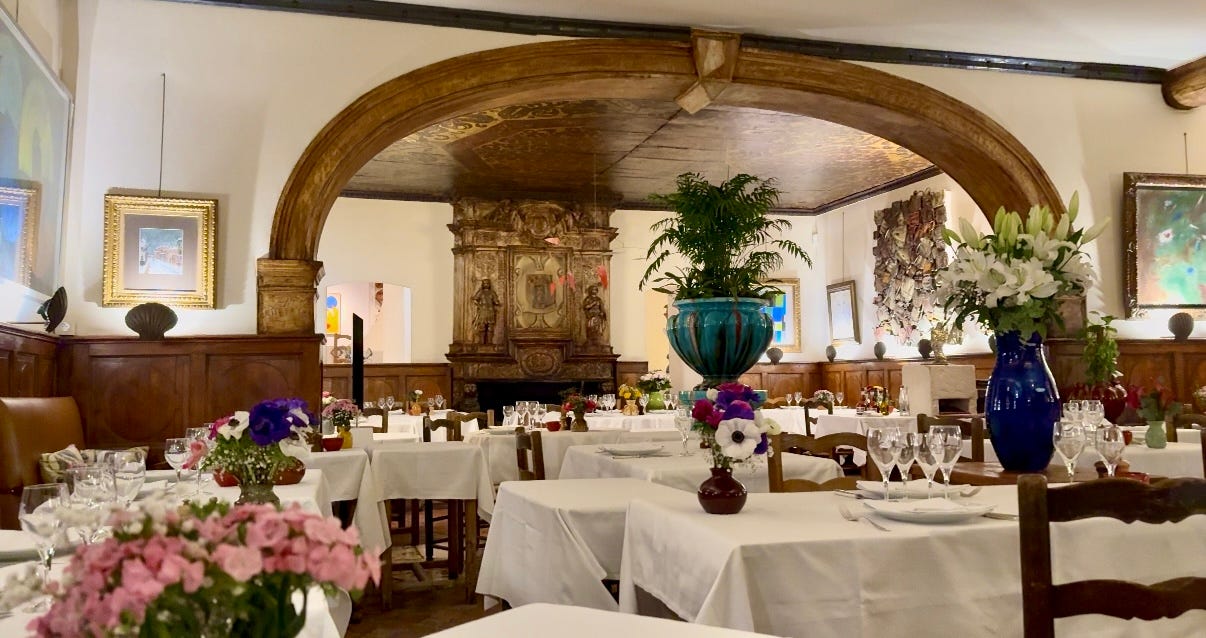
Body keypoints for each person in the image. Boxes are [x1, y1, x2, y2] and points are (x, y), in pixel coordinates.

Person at [472, 278, 501, 343]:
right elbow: (475, 299)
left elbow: (496, 301)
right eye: (485, 283)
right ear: (483, 284)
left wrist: (497, 303)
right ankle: (482, 342)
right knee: (482, 327)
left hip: (490, 311)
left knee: (490, 328)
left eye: (487, 283)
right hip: (483, 311)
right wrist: (479, 305)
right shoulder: (481, 292)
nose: (486, 284)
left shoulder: (492, 292)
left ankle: (489, 342)